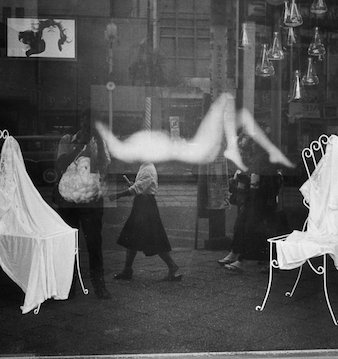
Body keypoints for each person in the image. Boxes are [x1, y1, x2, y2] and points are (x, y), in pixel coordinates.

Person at [94, 93, 295, 172]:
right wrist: (99, 128)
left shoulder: (133, 145)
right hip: (198, 150)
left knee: (240, 115)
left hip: (198, 147)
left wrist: (101, 129)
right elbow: (114, 146)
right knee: (226, 98)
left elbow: (113, 143)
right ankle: (233, 149)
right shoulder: (127, 150)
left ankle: (272, 151)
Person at [52, 111, 112, 299]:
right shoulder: (68, 140)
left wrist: (97, 145)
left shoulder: (98, 142)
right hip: (68, 201)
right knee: (68, 244)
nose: (87, 127)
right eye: (85, 123)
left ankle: (99, 287)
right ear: (80, 123)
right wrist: (79, 146)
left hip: (90, 202)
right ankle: (68, 287)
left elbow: (104, 167)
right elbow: (61, 164)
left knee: (94, 245)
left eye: (91, 124)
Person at [108, 162, 183, 282]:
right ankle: (127, 269)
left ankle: (172, 266)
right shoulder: (144, 166)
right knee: (133, 237)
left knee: (153, 238)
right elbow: (140, 186)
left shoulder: (148, 169)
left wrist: (118, 195)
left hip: (146, 205)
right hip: (142, 204)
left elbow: (137, 188)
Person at [223, 142, 287, 273]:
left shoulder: (260, 160)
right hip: (259, 198)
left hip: (261, 199)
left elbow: (257, 181)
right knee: (246, 225)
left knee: (251, 227)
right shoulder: (257, 159)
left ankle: (242, 259)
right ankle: (242, 256)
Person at [218, 134, 254, 266]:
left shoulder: (251, 164)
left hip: (250, 200)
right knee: (240, 226)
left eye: (243, 148)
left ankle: (238, 256)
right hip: (243, 199)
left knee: (243, 227)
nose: (241, 151)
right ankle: (235, 254)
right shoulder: (241, 164)